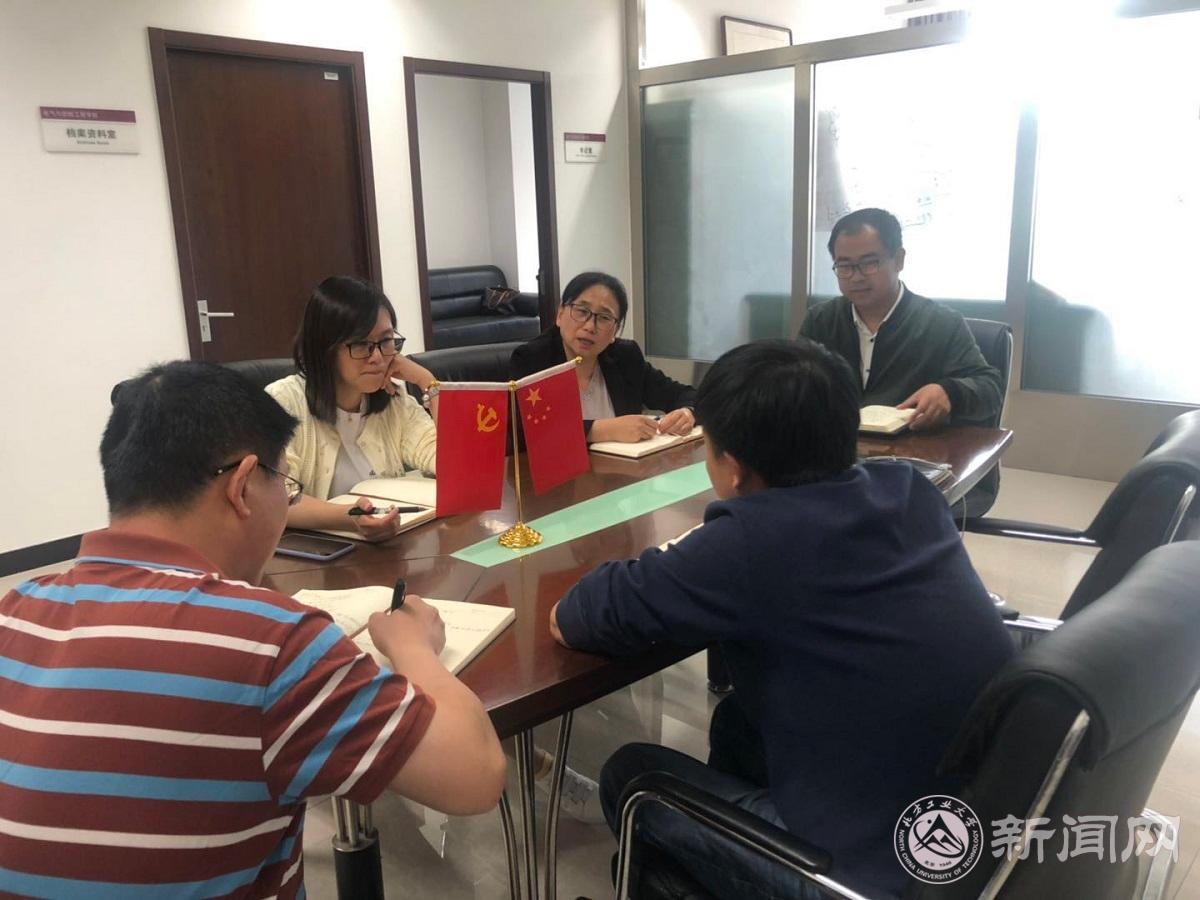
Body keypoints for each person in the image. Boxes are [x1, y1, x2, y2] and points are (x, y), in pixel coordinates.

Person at [0, 361, 505, 898]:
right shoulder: (270, 643)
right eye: (287, 486)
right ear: (243, 485)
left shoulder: (14, 610)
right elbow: (475, 775)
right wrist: (414, 648)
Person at [549, 339, 1013, 899]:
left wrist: (699, 552)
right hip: (981, 807)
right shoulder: (907, 488)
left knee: (632, 775)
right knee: (738, 722)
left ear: (733, 468)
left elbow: (574, 617)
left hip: (871, 877)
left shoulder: (748, 544)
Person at [266, 275, 441, 541]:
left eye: (386, 341)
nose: (377, 357)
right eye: (361, 344)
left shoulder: (393, 400)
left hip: (391, 548)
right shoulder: (284, 401)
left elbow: (453, 464)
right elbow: (277, 498)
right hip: (313, 555)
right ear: (325, 349)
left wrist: (428, 382)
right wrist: (349, 518)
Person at [800, 207, 1002, 430]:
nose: (856, 277)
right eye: (845, 266)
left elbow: (990, 389)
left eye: (869, 263)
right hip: (836, 446)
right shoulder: (820, 320)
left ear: (898, 260)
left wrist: (949, 392)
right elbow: (796, 385)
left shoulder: (941, 323)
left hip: (913, 447)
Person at [510, 272, 695, 443]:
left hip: (625, 467)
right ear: (560, 314)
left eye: (604, 318)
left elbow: (687, 395)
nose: (590, 326)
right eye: (582, 311)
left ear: (616, 330)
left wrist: (687, 413)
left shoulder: (625, 357)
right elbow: (523, 433)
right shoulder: (532, 358)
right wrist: (601, 430)